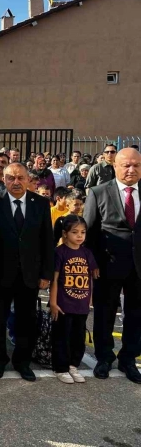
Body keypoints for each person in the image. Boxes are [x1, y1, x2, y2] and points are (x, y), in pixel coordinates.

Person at [0, 163, 54, 381]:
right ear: (4, 180)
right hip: (0, 273)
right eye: (11, 178)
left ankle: (22, 362)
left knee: (26, 320)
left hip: (30, 274)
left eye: (21, 177)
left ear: (29, 180)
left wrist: (46, 274)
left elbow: (47, 241)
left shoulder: (40, 204)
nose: (16, 182)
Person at [83, 147, 141, 383]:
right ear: (115, 166)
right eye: (126, 165)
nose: (131, 169)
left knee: (136, 315)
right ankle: (104, 357)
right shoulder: (98, 192)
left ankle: (128, 359)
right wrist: (92, 264)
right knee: (105, 313)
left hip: (139, 267)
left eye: (136, 165)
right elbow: (89, 232)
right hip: (107, 265)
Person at [50, 215, 98, 384]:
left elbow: (90, 277)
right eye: (75, 232)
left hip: (81, 304)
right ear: (65, 233)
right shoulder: (59, 252)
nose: (79, 236)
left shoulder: (87, 253)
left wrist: (89, 299)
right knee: (62, 337)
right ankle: (60, 368)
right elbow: (55, 280)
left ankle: (73, 365)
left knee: (78, 338)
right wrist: (53, 302)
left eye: (83, 232)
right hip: (63, 304)